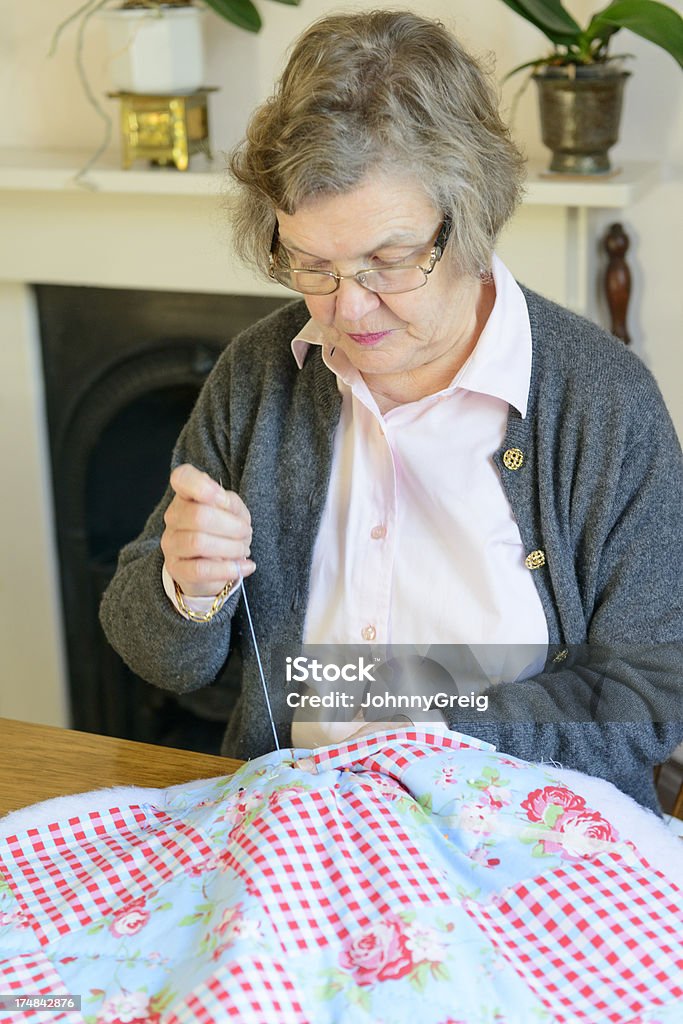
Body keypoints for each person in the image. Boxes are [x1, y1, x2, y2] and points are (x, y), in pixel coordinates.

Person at [100, 9, 683, 811]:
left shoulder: (600, 402)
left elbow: (649, 693)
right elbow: (161, 659)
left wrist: (429, 733)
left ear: (470, 215)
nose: (349, 308)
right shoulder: (260, 375)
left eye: (389, 260)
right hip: (293, 826)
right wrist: (186, 589)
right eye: (311, 265)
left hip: (529, 837)